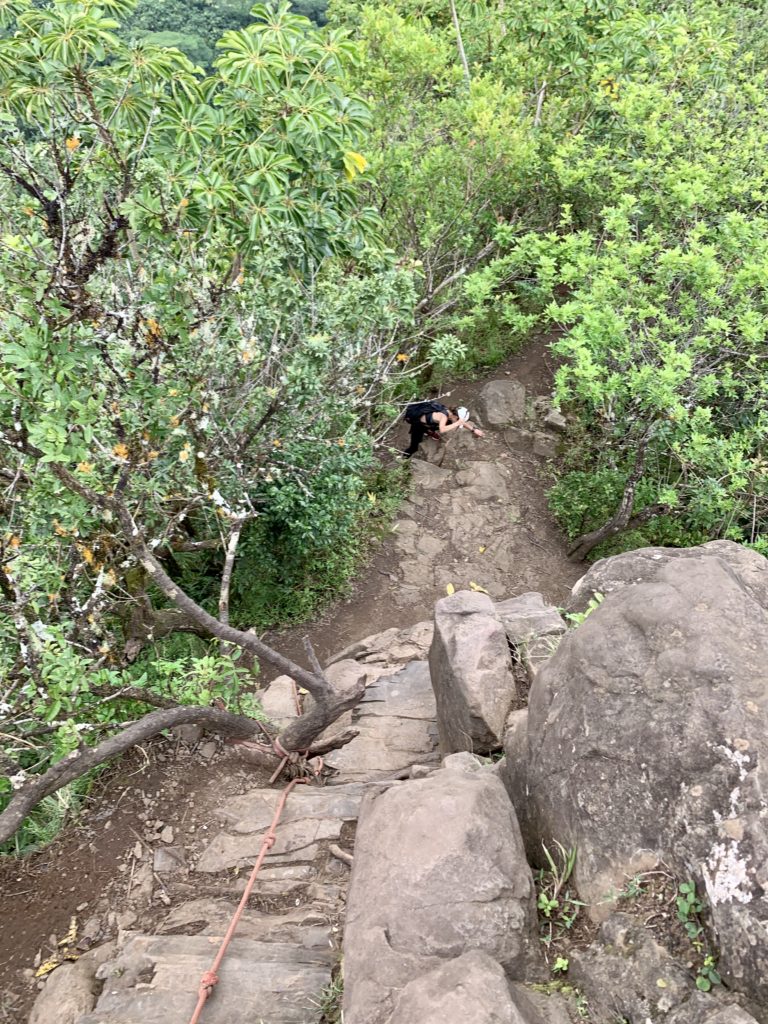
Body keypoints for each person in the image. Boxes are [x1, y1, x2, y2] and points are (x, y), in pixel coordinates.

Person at [402, 400, 484, 457]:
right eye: (458, 419)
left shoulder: (451, 415)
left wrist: (473, 429)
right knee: (414, 446)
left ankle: (429, 431)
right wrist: (456, 423)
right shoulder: (443, 416)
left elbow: (461, 421)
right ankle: (405, 457)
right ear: (456, 416)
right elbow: (442, 429)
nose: (458, 421)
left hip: (428, 423)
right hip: (418, 424)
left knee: (449, 423)